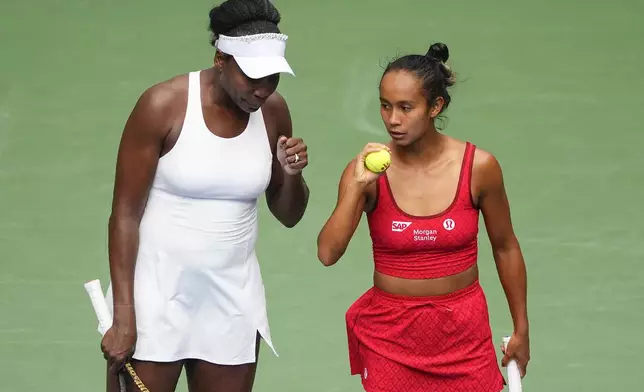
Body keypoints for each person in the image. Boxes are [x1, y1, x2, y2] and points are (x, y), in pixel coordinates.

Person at [99, 0, 310, 391]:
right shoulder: (163, 105)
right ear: (220, 59)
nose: (263, 90)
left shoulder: (273, 112)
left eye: (273, 78)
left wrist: (291, 175)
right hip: (154, 297)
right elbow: (124, 215)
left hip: (232, 301)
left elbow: (289, 213)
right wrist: (124, 314)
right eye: (252, 77)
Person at [317, 42, 530, 392]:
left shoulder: (478, 167)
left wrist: (521, 329)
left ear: (436, 106)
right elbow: (328, 253)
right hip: (390, 339)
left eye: (406, 107)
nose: (393, 120)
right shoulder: (365, 174)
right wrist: (357, 186)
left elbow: (505, 247)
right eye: (385, 106)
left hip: (464, 333)